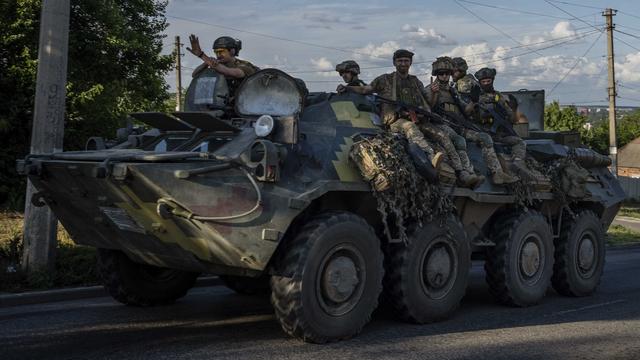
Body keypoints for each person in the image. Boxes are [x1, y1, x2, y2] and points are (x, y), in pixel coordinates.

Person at [337, 49, 443, 169]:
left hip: (417, 119)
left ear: (410, 63)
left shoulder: (415, 82)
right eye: (400, 61)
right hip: (394, 121)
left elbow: (428, 103)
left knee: (442, 135)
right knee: (410, 128)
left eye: (406, 61)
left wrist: (434, 93)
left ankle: (463, 171)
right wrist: (348, 89)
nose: (403, 63)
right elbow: (365, 90)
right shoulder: (384, 80)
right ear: (394, 62)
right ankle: (431, 157)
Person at [449, 58, 518, 185]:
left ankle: (500, 172)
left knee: (488, 139)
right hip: (460, 125)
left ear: (461, 70)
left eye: (454, 71)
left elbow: (467, 110)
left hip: (470, 125)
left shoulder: (464, 84)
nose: (451, 74)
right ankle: (495, 173)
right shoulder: (455, 86)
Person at [424, 56, 484, 187]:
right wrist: (434, 93)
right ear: (436, 75)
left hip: (456, 124)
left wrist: (474, 101)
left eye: (447, 74)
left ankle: (470, 173)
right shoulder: (430, 89)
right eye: (441, 74)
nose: (445, 76)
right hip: (439, 124)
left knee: (483, 138)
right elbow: (428, 108)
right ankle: (462, 173)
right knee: (458, 140)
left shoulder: (453, 91)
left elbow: (465, 110)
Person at [474, 67, 532, 179]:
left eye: (488, 81)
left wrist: (514, 108)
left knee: (519, 142)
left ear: (492, 80)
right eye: (483, 82)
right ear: (479, 82)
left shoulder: (499, 97)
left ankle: (518, 163)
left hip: (500, 134)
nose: (486, 84)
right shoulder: (476, 97)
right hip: (483, 133)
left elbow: (513, 119)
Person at [186, 35, 258, 96]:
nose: (218, 55)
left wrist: (201, 55)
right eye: (216, 52)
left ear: (232, 51)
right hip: (220, 105)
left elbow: (229, 72)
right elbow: (195, 75)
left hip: (242, 106)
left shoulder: (244, 66)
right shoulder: (217, 65)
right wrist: (206, 63)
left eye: (221, 51)